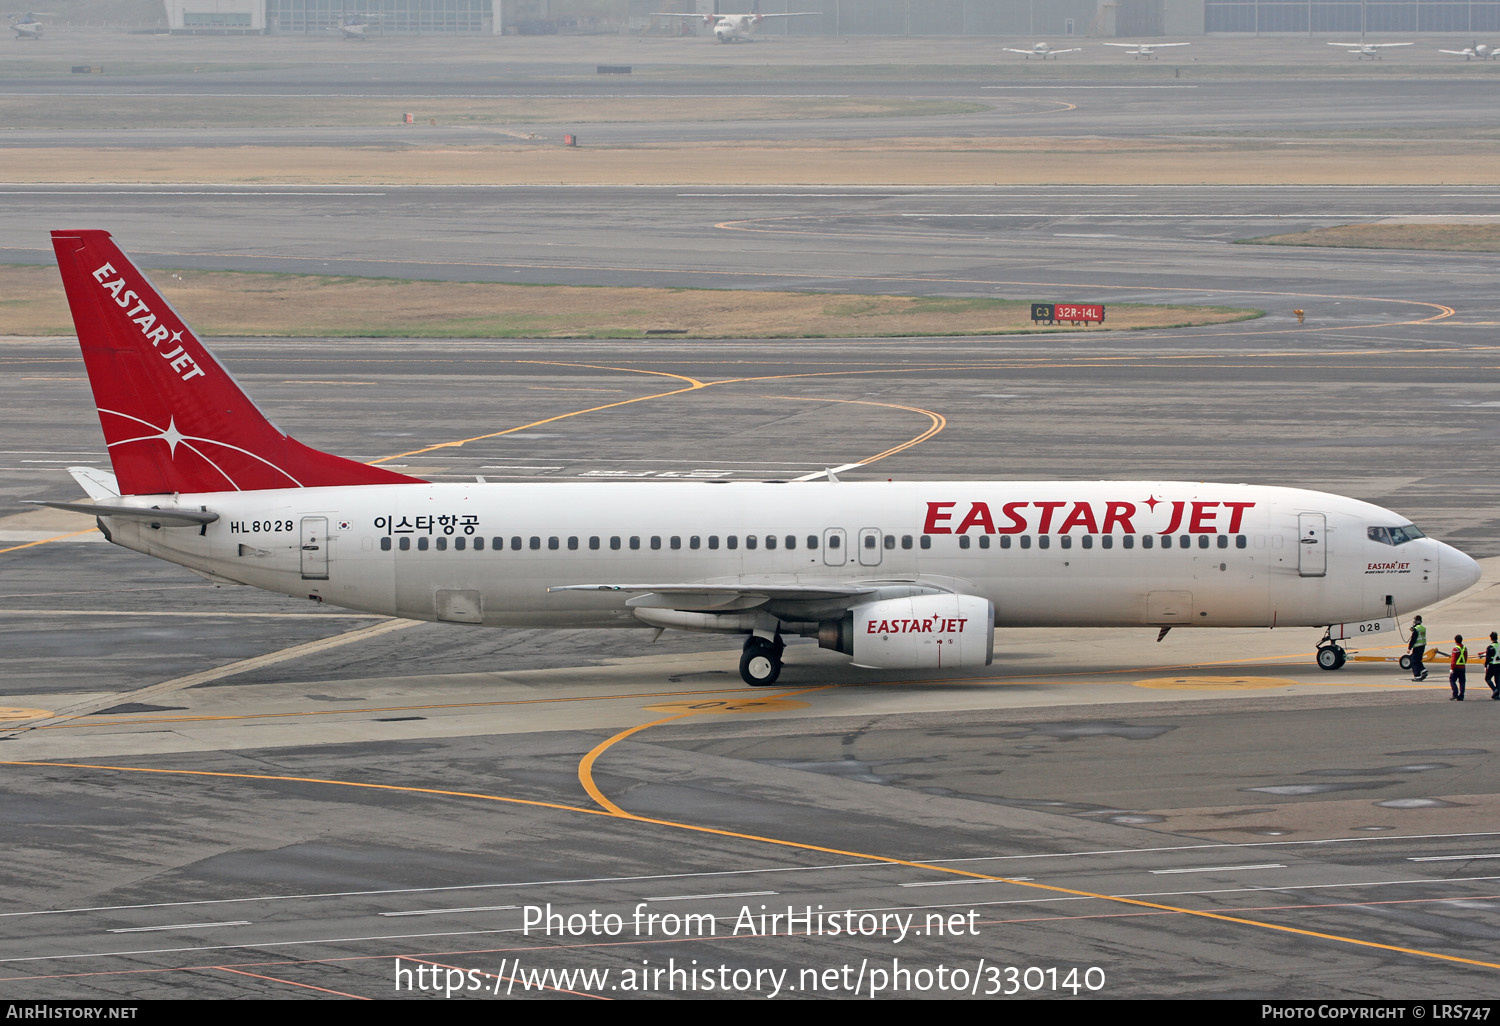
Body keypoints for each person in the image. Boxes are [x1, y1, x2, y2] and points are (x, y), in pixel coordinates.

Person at [1438, 635, 1469, 700]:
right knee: (1462, 682)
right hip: (1462, 667)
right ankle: (1461, 695)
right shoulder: (1464, 648)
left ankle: (1455, 693)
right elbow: (1466, 658)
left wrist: (1452, 668)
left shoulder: (1455, 649)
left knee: (1452, 680)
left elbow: (1453, 660)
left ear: (1455, 641)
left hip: (1456, 667)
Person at [1408, 615, 1428, 681]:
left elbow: (1413, 639)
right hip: (1422, 646)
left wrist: (1409, 648)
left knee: (1413, 660)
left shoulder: (1416, 629)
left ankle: (1417, 676)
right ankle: (1423, 670)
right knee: (1418, 660)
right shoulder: (1423, 628)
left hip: (1417, 647)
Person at [1487, 632, 1500, 700]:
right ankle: (1497, 695)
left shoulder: (1490, 647)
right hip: (1499, 665)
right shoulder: (1499, 645)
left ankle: (1495, 690)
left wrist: (1486, 664)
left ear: (1491, 638)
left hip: (1493, 665)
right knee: (1497, 680)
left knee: (1487, 678)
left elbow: (1488, 658)